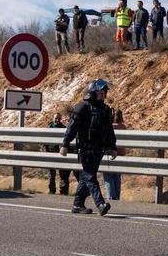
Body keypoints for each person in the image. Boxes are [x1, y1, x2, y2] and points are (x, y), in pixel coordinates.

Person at [60, 79, 118, 216]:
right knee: (90, 175)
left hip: (99, 149)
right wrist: (65, 144)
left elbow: (109, 130)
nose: (103, 93)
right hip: (86, 148)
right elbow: (72, 127)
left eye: (104, 91)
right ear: (92, 92)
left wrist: (113, 146)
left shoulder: (105, 110)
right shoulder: (82, 107)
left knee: (86, 176)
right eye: (100, 91)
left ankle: (77, 204)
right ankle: (101, 204)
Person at [103, 109, 127, 200]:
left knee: (108, 176)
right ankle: (117, 196)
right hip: (121, 153)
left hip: (110, 152)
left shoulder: (110, 126)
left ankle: (111, 196)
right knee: (117, 176)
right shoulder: (123, 126)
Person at [47, 112, 71, 196]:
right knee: (51, 174)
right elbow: (45, 142)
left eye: (58, 118)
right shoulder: (49, 128)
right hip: (51, 152)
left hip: (61, 153)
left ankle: (63, 191)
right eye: (55, 118)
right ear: (53, 119)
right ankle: (51, 190)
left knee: (63, 174)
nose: (57, 120)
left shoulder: (64, 128)